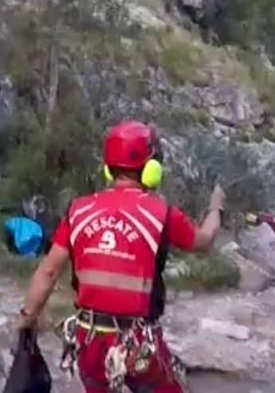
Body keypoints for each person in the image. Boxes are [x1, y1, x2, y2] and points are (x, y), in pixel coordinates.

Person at [14, 121, 226, 393]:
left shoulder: (79, 210)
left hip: (87, 338)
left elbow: (48, 272)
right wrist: (216, 207)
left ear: (108, 168)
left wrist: (27, 318)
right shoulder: (161, 213)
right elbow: (204, 240)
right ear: (151, 170)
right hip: (137, 344)